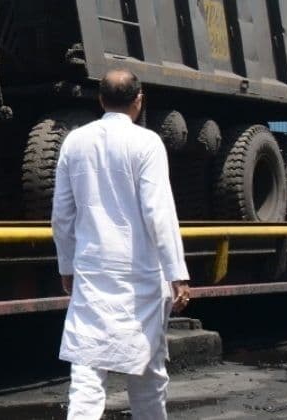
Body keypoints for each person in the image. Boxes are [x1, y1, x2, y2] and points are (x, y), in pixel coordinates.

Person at [51, 69, 191, 419]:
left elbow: (62, 215)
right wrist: (177, 273)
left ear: (100, 99)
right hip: (141, 277)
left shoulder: (75, 142)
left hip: (93, 272)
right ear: (138, 99)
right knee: (146, 373)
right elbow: (159, 212)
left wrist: (66, 265)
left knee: (86, 373)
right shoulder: (146, 143)